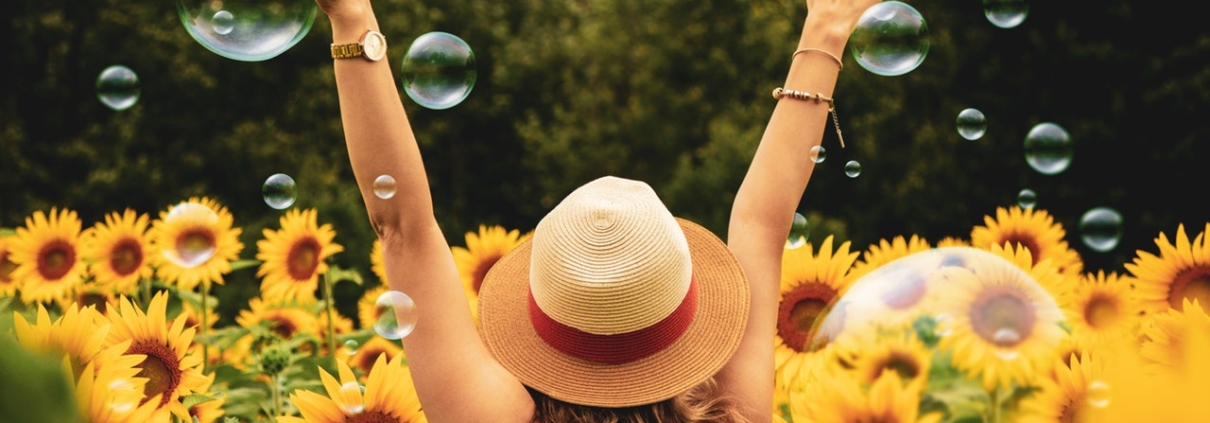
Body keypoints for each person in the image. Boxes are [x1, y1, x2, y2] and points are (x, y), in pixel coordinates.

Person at [315, 0, 878, 421]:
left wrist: (351, 18)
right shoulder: (731, 410)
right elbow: (761, 221)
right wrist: (826, 26)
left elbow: (402, 227)